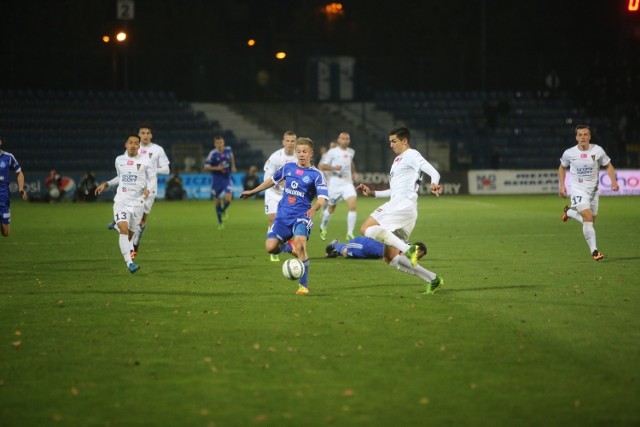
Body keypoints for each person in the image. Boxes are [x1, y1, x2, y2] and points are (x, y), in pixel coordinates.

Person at [357, 126, 444, 295]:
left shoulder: (411, 154)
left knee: (365, 228)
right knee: (389, 258)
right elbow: (395, 190)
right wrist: (373, 193)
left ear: (404, 141)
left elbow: (433, 171)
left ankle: (407, 249)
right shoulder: (398, 161)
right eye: (390, 141)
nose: (391, 145)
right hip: (405, 209)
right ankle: (433, 279)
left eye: (394, 141)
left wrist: (434, 182)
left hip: (401, 205)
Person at [241, 137, 328, 295]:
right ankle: (289, 247)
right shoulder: (288, 167)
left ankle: (303, 286)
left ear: (311, 153)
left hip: (302, 216)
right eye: (299, 151)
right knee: (271, 248)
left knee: (301, 244)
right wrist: (253, 191)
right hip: (282, 217)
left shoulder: (316, 175)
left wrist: (315, 208)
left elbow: (322, 197)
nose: (301, 154)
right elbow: (271, 181)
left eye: (304, 151)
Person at [107, 123, 170, 260]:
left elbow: (166, 170)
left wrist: (150, 170)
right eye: (142, 133)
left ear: (151, 135)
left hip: (150, 190)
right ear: (139, 135)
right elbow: (124, 171)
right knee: (133, 221)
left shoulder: (158, 150)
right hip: (134, 192)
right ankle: (129, 245)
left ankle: (134, 244)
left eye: (148, 133)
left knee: (141, 223)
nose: (145, 135)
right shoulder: (132, 149)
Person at [95, 134, 156, 274]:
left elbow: (152, 179)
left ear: (139, 146)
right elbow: (120, 177)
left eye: (136, 143)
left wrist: (148, 188)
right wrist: (107, 184)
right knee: (124, 229)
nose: (133, 145)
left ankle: (116, 225)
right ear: (126, 145)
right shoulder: (119, 160)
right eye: (130, 143)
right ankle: (130, 263)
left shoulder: (146, 161)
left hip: (138, 203)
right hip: (121, 201)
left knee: (130, 235)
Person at [559, 124, 619, 260]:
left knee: (590, 220)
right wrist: (562, 185)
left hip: (593, 191)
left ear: (589, 136)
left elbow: (608, 165)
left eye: (585, 134)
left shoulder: (597, 150)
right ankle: (594, 251)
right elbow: (562, 168)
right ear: (576, 137)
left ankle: (569, 212)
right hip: (577, 189)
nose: (583, 137)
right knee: (587, 215)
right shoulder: (569, 153)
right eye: (580, 135)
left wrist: (614, 182)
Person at [262, 130, 297, 261]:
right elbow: (267, 176)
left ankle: (285, 245)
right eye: (287, 140)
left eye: (292, 141)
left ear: (296, 142)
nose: (290, 143)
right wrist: (279, 181)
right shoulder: (276, 157)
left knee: (289, 223)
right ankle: (272, 249)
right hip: (273, 193)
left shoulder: (298, 158)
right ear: (283, 142)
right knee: (272, 219)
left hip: (289, 196)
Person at [318, 132, 358, 241]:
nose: (345, 140)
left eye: (347, 138)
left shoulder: (351, 152)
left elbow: (350, 162)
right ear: (339, 140)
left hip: (347, 183)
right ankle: (323, 226)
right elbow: (322, 166)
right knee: (331, 208)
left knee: (352, 206)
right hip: (335, 185)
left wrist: (354, 172)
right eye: (343, 138)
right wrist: (334, 168)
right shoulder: (332, 152)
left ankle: (349, 233)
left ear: (349, 140)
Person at [204, 135, 237, 229]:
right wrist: (217, 168)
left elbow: (231, 156)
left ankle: (223, 210)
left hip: (226, 177)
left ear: (223, 143)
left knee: (228, 197)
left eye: (221, 142)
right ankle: (220, 222)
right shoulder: (213, 154)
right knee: (217, 200)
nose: (219, 144)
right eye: (217, 143)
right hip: (216, 179)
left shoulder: (228, 150)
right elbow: (206, 166)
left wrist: (233, 166)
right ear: (215, 144)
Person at [0, 137, 27, 237]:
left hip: (4, 197)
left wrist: (21, 188)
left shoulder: (8, 157)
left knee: (6, 233)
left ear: (1, 142)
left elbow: (19, 173)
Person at [326, 236, 427, 261]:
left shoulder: (406, 245)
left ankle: (335, 252)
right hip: (365, 245)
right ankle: (335, 245)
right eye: (418, 254)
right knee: (347, 253)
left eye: (419, 257)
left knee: (348, 254)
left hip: (373, 250)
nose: (417, 257)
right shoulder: (405, 246)